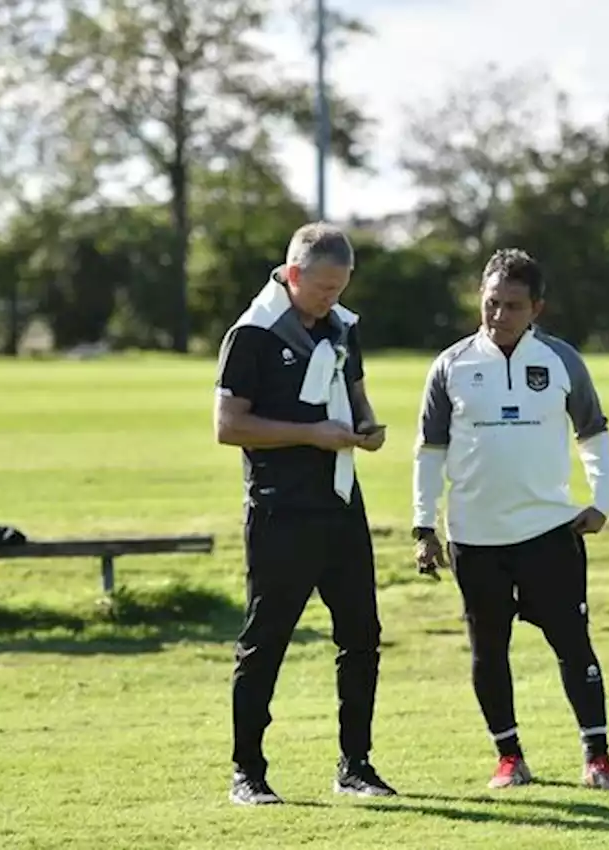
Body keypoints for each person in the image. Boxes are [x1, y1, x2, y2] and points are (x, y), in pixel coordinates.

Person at [410, 247, 609, 791]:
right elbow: (429, 450)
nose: (498, 315)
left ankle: (597, 758)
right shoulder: (452, 365)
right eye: (490, 303)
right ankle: (509, 758)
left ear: (537, 307)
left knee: (573, 645)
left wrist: (602, 499)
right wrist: (423, 525)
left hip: (549, 534)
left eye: (512, 305)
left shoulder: (562, 361)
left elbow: (593, 434)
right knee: (489, 651)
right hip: (474, 538)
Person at [214, 222, 397, 805]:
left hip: (341, 502)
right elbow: (229, 425)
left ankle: (356, 766)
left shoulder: (344, 328)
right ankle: (248, 772)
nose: (332, 299)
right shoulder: (254, 334)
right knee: (266, 641)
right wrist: (311, 436)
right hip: (280, 510)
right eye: (322, 288)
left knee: (362, 636)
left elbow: (357, 394)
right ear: (292, 275)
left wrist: (366, 428)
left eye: (340, 288)